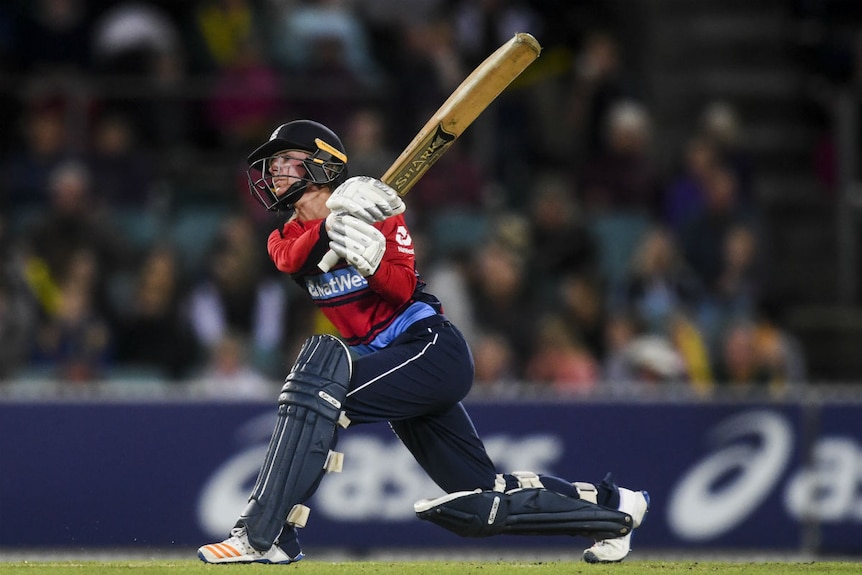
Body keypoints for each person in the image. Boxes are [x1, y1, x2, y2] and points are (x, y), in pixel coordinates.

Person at [196, 119, 650, 565]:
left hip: (429, 348)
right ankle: (614, 509)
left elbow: (398, 288)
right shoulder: (285, 236)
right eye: (272, 165)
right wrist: (334, 224)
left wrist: (373, 261)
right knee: (482, 497)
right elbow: (296, 260)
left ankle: (266, 534)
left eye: (285, 162)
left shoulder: (381, 210)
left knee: (318, 382)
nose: (274, 173)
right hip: (388, 364)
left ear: (320, 165)